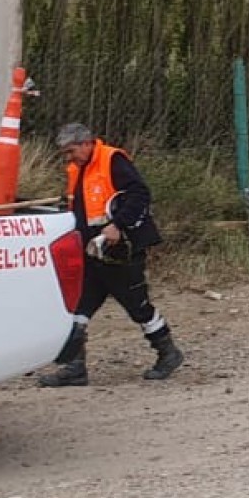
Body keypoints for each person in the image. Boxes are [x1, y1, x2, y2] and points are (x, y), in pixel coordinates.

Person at [37, 123, 185, 387]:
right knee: (77, 310)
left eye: (71, 151)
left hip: (121, 251)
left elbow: (140, 194)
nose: (68, 157)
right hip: (93, 250)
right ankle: (74, 368)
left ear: (86, 143)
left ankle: (168, 353)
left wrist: (118, 224)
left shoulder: (112, 160)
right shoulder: (77, 169)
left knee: (138, 307)